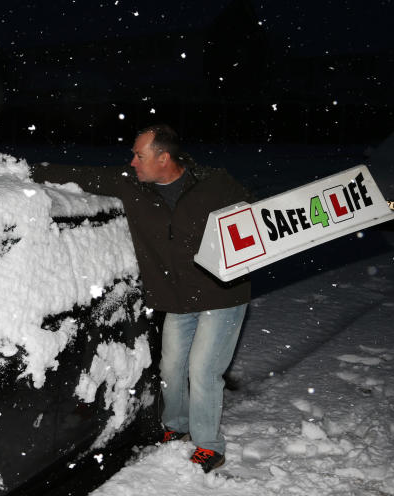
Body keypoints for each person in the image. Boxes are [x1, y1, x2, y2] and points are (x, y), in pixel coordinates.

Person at [31, 124, 249, 472]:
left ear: (164, 158)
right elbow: (80, 175)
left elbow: (257, 226)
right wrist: (27, 170)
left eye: (139, 155)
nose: (132, 162)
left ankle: (209, 445)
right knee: (171, 367)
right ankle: (176, 427)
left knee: (203, 370)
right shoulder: (132, 186)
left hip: (221, 295)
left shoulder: (215, 186)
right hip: (180, 299)